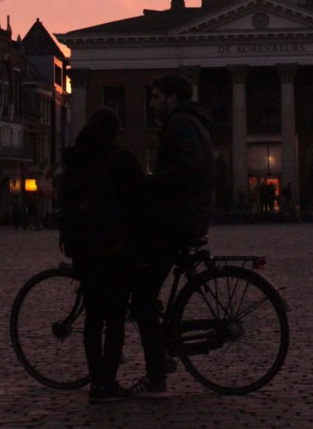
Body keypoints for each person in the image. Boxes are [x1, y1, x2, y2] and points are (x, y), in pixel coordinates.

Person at [129, 73, 215, 397]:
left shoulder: (180, 124)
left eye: (155, 97)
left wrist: (149, 185)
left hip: (177, 220)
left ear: (172, 99)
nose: (151, 103)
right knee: (148, 288)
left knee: (142, 297)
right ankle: (161, 350)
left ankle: (156, 376)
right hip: (187, 216)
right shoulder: (192, 122)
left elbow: (186, 168)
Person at [62, 108, 146, 403]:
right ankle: (109, 382)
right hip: (116, 251)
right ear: (115, 131)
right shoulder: (121, 160)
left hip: (85, 253)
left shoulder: (77, 160)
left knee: (93, 320)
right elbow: (140, 201)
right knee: (115, 320)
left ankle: (96, 382)